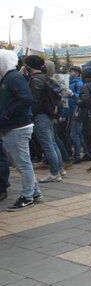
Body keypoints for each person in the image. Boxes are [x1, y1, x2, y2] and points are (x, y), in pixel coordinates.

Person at [0, 50, 40, 211]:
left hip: (17, 127)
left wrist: (7, 115)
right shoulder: (9, 77)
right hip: (14, 127)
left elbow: (26, 98)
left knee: (22, 164)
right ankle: (34, 192)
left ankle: (27, 197)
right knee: (24, 163)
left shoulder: (13, 77)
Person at [24, 55, 65, 183]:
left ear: (28, 66)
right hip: (49, 114)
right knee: (52, 144)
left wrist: (31, 115)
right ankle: (60, 169)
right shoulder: (45, 77)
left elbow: (34, 101)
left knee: (48, 146)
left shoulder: (35, 80)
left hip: (40, 116)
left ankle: (54, 173)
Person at [67, 66, 84, 163]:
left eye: (72, 71)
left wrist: (72, 94)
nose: (70, 73)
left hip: (76, 111)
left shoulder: (79, 83)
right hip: (71, 110)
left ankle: (77, 155)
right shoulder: (71, 82)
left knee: (74, 134)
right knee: (76, 134)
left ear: (77, 73)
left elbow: (80, 98)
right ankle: (81, 153)